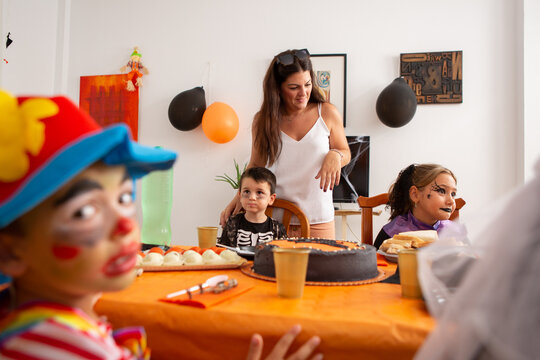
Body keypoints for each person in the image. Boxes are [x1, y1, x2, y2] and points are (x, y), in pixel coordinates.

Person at [0, 90, 322, 360]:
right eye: (84, 212)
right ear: (10, 253)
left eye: (125, 198)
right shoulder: (63, 349)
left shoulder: (58, 327)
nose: (125, 225)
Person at [220, 48, 351, 239]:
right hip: (274, 219)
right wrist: (238, 196)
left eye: (307, 84)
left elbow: (345, 151)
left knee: (322, 268)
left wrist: (336, 155)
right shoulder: (263, 120)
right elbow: (256, 165)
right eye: (293, 87)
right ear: (278, 88)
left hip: (318, 218)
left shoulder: (328, 113)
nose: (303, 93)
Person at [374, 163, 458, 249]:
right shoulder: (392, 234)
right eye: (441, 191)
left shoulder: (456, 233)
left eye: (453, 194)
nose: (451, 201)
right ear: (415, 195)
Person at [219, 167, 287, 247]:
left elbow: (283, 255)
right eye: (247, 191)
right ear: (240, 196)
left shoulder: (278, 228)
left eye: (259, 192)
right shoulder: (232, 223)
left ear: (271, 199)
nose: (252, 197)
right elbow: (223, 252)